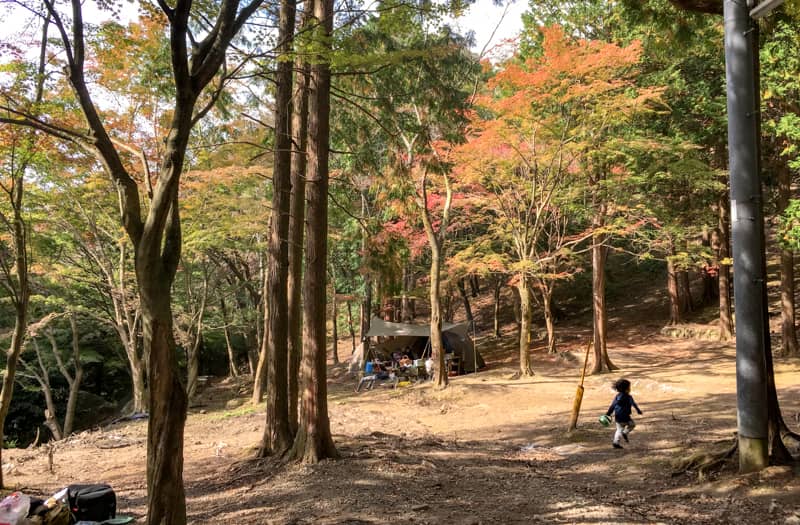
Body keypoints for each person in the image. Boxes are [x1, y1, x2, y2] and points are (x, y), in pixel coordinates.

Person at [605, 378, 642, 449]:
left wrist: (608, 413)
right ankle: (625, 433)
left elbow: (613, 405)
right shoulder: (629, 397)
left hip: (618, 417)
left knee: (619, 429)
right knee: (632, 424)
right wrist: (638, 410)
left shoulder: (617, 396)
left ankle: (615, 442)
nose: (630, 388)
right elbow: (633, 404)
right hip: (625, 416)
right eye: (629, 387)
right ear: (626, 389)